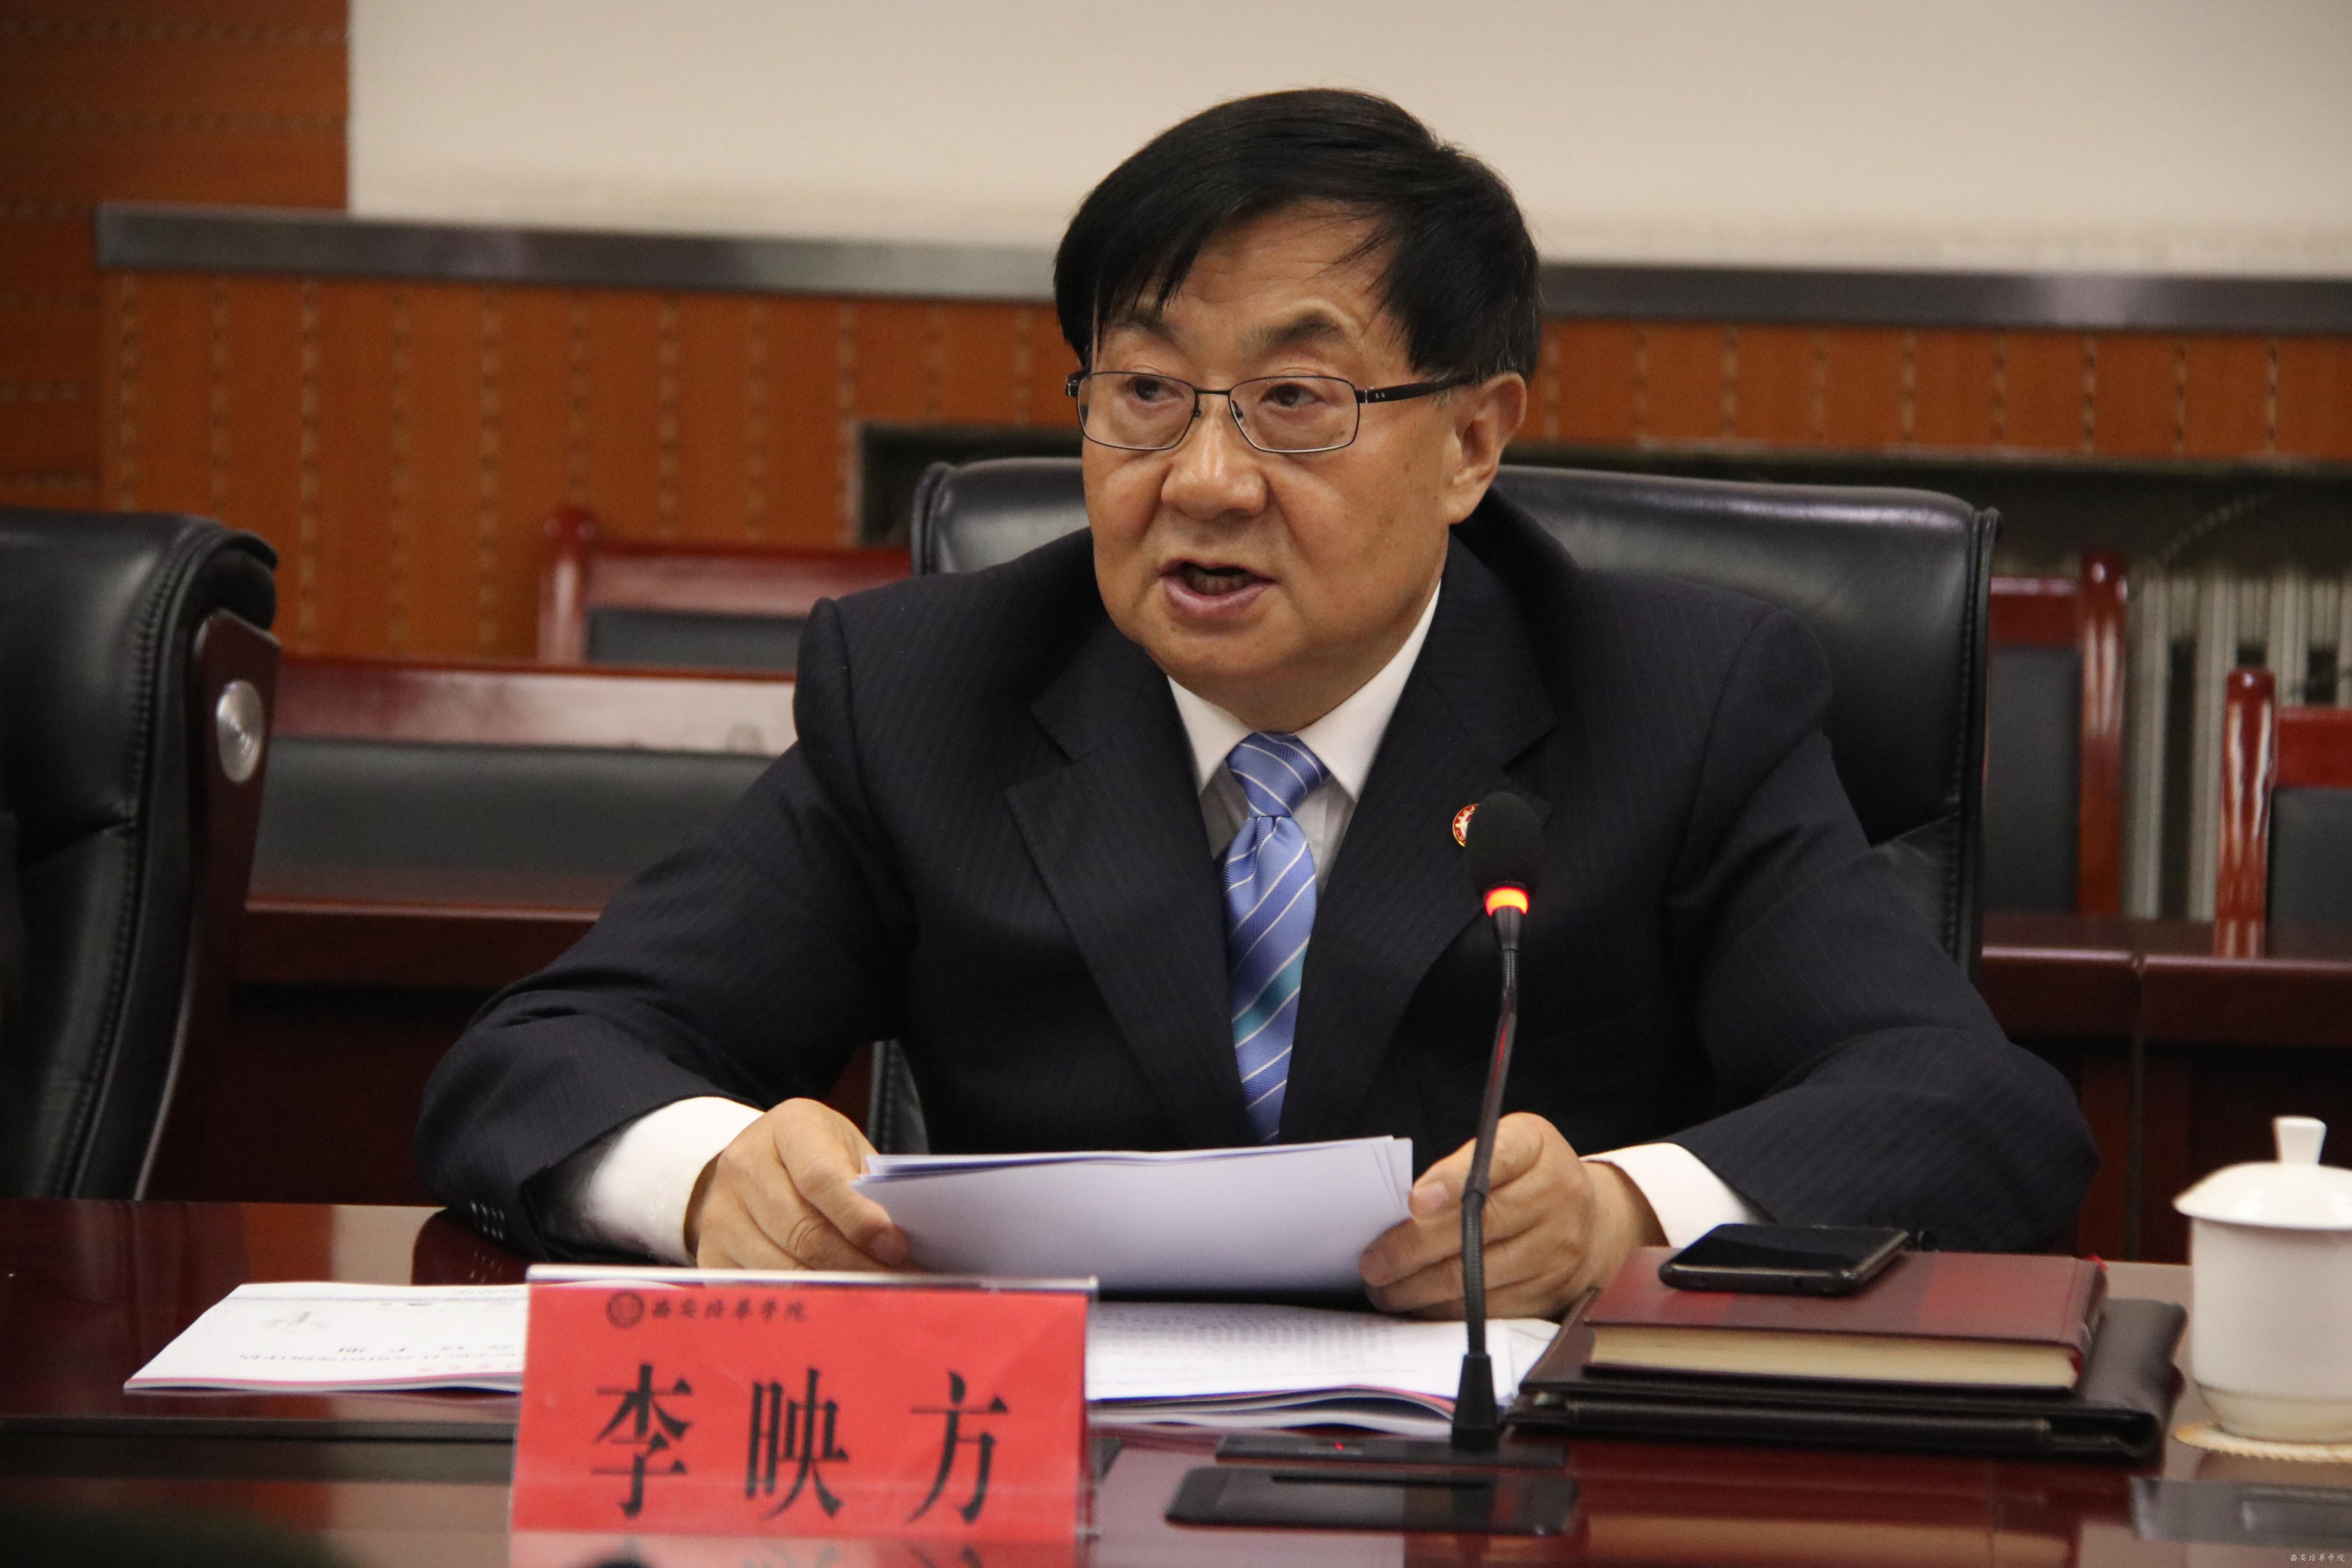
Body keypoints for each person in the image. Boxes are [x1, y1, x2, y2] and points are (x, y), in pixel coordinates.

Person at [418, 89, 2094, 1318]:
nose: (1204, 480)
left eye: (1296, 400)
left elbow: (1971, 1112)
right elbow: (537, 1059)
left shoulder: (1673, 700)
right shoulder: (934, 691)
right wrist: (713, 1175)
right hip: (1053, 1484)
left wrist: (1619, 1216)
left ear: (1475, 440)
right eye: (1147, 392)